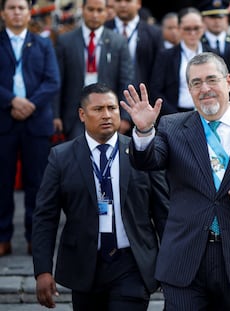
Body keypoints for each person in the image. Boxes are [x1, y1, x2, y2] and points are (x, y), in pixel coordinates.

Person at [121, 52, 230, 310]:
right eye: (196, 83)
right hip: (185, 261)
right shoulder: (172, 126)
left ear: (228, 81)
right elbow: (147, 161)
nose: (204, 89)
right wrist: (145, 131)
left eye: (211, 79)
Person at [32, 83, 169, 310]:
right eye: (98, 109)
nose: (106, 115)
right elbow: (45, 217)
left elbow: (163, 212)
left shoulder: (142, 153)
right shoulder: (61, 157)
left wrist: (170, 264)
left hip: (132, 263)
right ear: (82, 115)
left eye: (112, 108)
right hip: (85, 266)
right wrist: (43, 270)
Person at [0, 0, 60, 256]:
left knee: (38, 184)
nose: (16, 12)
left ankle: (36, 238)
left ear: (28, 13)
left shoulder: (43, 43)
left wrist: (29, 104)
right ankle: (3, 237)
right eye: (11, 7)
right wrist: (11, 100)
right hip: (4, 121)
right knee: (2, 183)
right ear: (3, 13)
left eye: (21, 8)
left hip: (36, 123)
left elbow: (52, 81)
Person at [53, 0, 133, 140]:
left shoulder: (118, 42)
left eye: (99, 10)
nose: (95, 15)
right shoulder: (65, 41)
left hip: (107, 114)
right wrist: (55, 115)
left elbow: (126, 79)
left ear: (106, 12)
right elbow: (57, 80)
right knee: (77, 158)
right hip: (74, 115)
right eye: (91, 9)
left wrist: (125, 116)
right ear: (82, 10)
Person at [150, 7, 213, 116]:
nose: (192, 33)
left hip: (209, 113)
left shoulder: (213, 54)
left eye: (196, 28)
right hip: (176, 113)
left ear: (203, 28)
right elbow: (156, 90)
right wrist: (175, 116)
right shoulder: (166, 56)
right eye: (187, 29)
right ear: (179, 29)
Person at [105, 0, 162, 87]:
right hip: (108, 93)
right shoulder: (103, 30)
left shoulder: (154, 33)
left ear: (138, 3)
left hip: (142, 93)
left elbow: (158, 71)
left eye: (128, 1)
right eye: (118, 0)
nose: (122, 5)